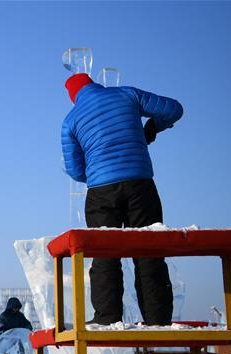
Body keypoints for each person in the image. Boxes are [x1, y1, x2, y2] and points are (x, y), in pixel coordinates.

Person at [61, 73, 183, 326]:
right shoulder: (127, 94)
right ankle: (158, 319)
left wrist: (96, 172)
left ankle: (107, 318)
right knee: (148, 249)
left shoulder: (70, 121)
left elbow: (74, 170)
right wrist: (150, 128)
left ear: (73, 96)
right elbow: (173, 109)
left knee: (104, 253)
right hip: (140, 185)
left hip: (101, 192)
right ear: (94, 83)